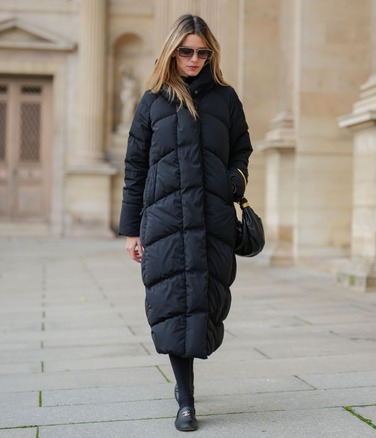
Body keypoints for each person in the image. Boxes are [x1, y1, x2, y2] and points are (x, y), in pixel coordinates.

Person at [119, 14, 252, 432]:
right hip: (164, 220)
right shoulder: (153, 101)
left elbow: (243, 149)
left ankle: (185, 388)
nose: (194, 59)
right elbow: (135, 167)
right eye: (186, 51)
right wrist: (131, 229)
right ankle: (187, 398)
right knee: (174, 303)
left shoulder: (226, 98)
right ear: (172, 52)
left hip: (212, 217)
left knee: (204, 303)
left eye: (202, 52)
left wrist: (231, 181)